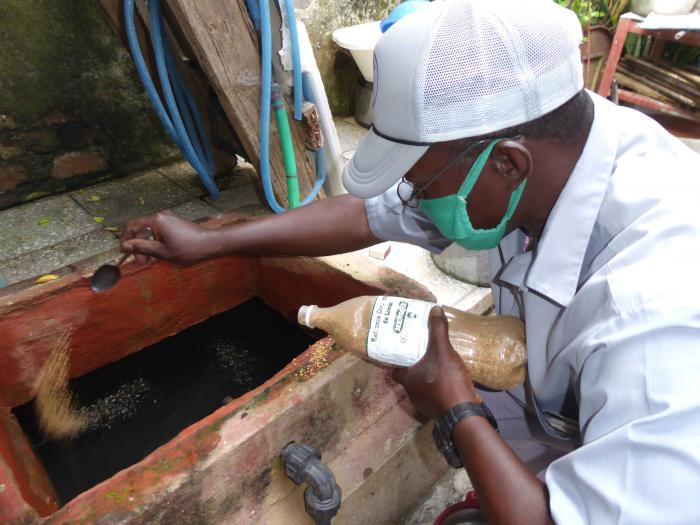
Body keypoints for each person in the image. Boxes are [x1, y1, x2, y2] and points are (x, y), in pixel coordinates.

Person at [121, 0, 700, 523]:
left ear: (507, 166)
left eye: (422, 186)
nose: (413, 200)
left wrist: (457, 409)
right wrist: (214, 241)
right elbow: (368, 214)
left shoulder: (654, 316)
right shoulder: (557, 140)